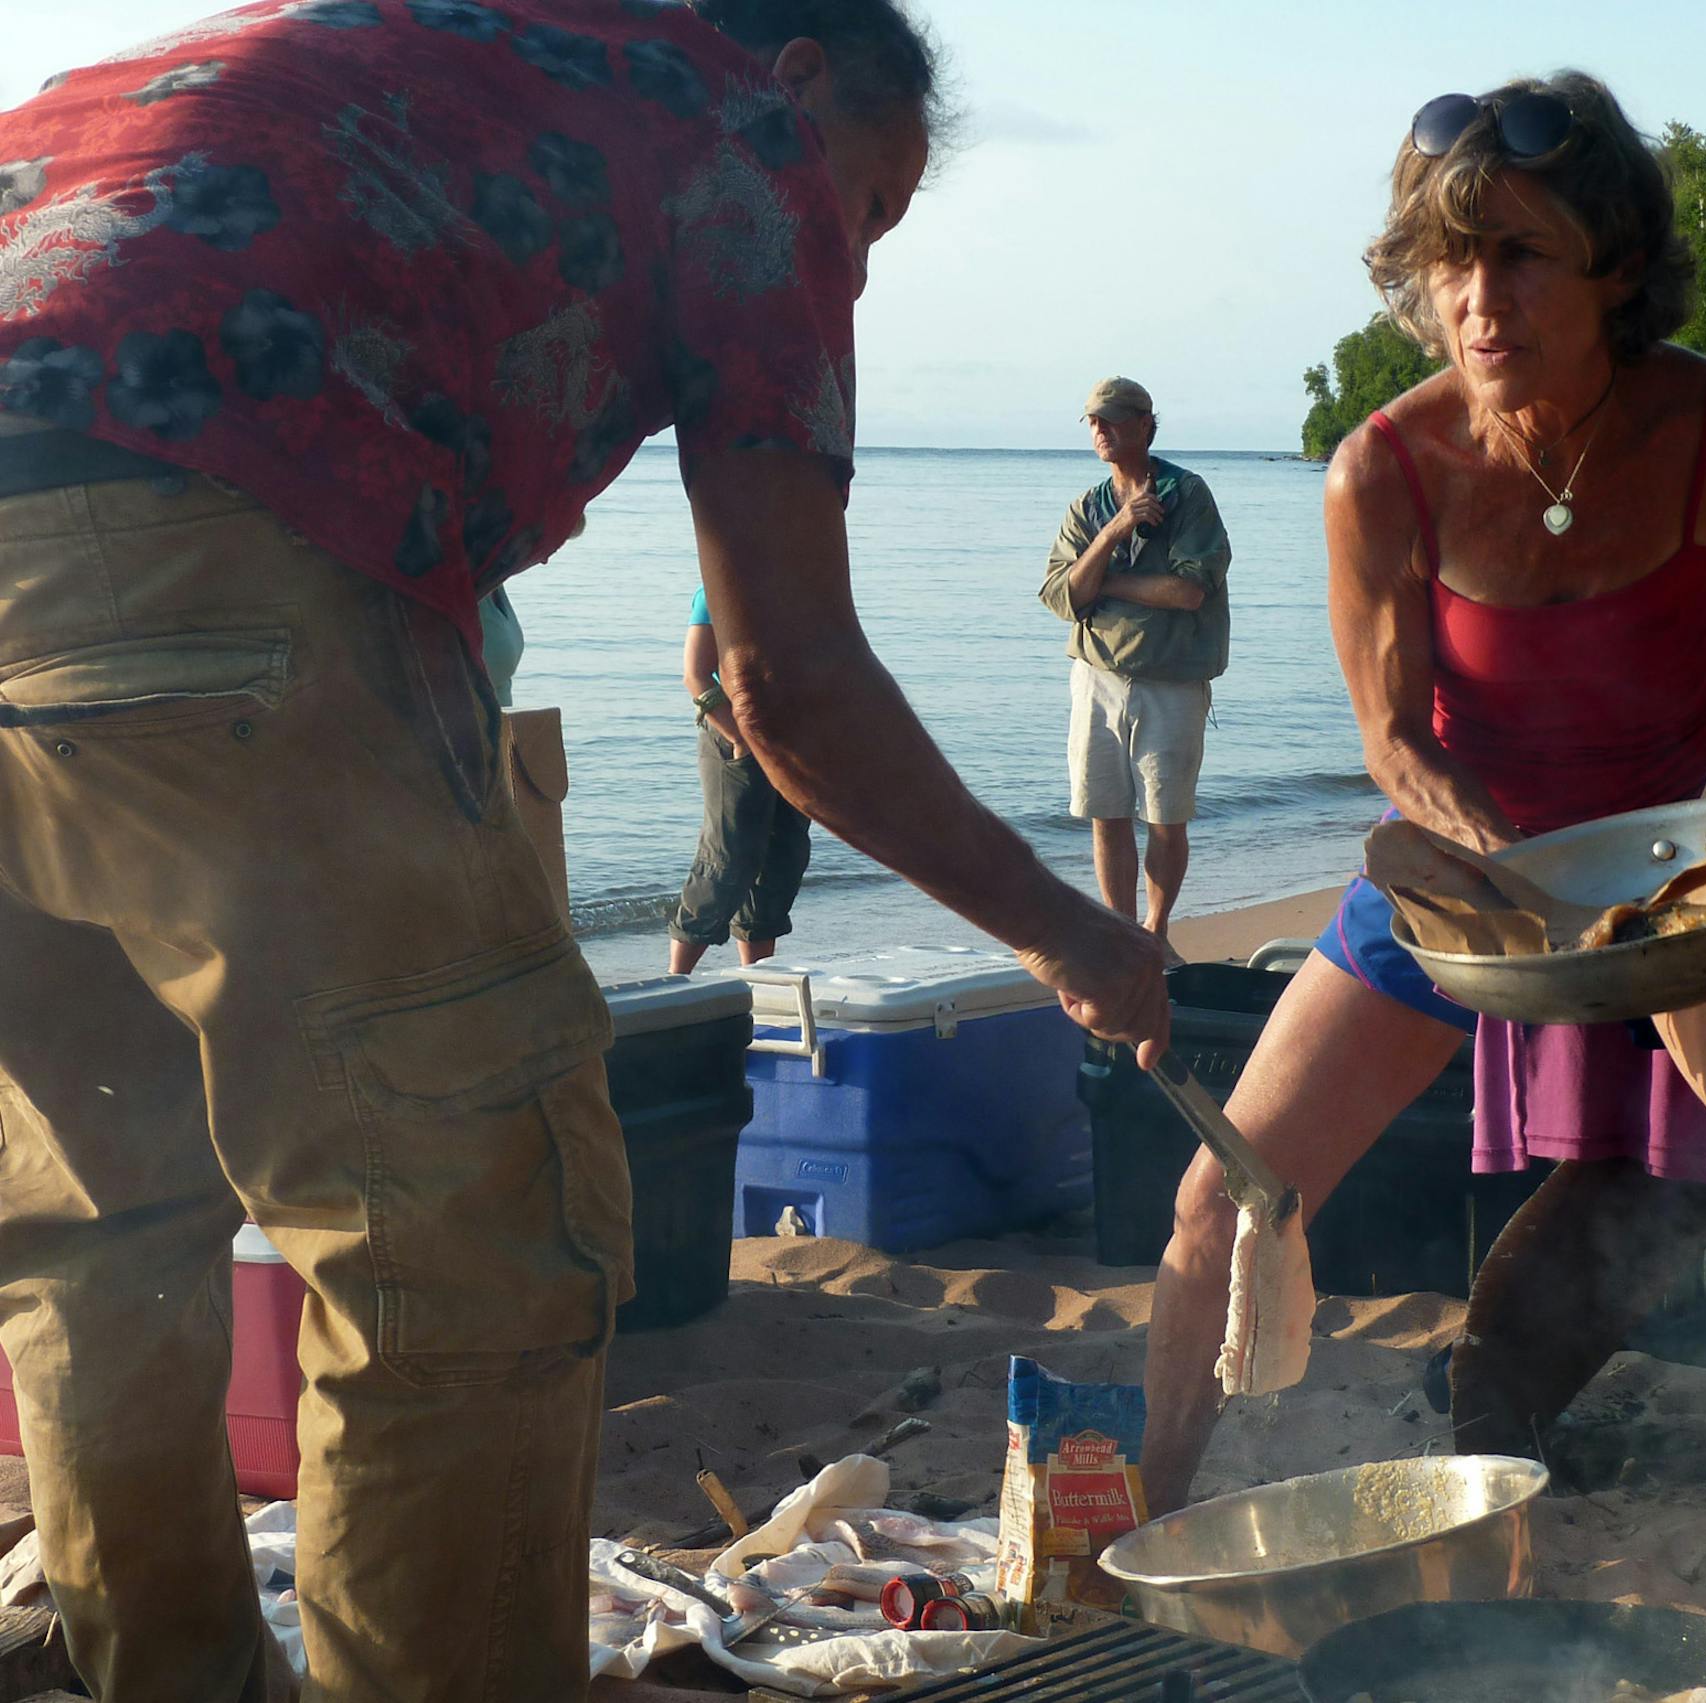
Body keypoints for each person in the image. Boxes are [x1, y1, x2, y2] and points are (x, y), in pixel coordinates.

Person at [0, 4, 1167, 1699]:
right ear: (795, 82)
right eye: (877, 200)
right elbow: (796, 685)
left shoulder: (441, 48)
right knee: (459, 1247)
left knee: (104, 1217)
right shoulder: (743, 137)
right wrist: (1067, 930)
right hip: (206, 544)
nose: (856, 251)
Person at [1138, 73, 1706, 1696]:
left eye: (1518, 256)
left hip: (1687, 871)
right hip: (1470, 881)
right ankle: (1139, 1554)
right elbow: (1389, 731)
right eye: (1445, 264)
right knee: (1216, 1192)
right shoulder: (1383, 466)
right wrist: (1459, 822)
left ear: (1611, 265)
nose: (1475, 299)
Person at [1041, 377, 1231, 959]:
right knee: (1106, 812)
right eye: (1094, 420)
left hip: (1171, 680)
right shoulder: (1088, 507)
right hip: (1096, 678)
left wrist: (1103, 584)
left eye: (1115, 419)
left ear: (1147, 424)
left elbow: (1189, 591)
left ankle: (1156, 928)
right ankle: (1119, 933)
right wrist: (1117, 531)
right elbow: (1058, 595)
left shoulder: (1186, 494)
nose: (1102, 429)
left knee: (1166, 818)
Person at [669, 582, 813, 971]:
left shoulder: (809, 586)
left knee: (784, 856)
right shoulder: (718, 589)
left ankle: (758, 978)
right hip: (734, 736)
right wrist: (739, 739)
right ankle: (675, 981)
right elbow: (695, 675)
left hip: (793, 740)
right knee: (728, 858)